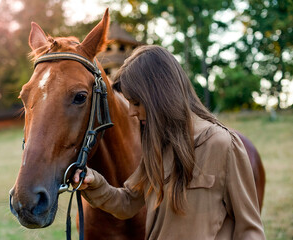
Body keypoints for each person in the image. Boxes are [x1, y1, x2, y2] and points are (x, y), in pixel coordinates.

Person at [73, 45, 265, 239]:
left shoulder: (223, 145)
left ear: (160, 96)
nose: (131, 112)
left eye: (137, 103)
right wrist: (94, 183)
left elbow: (249, 230)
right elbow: (128, 203)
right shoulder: (155, 148)